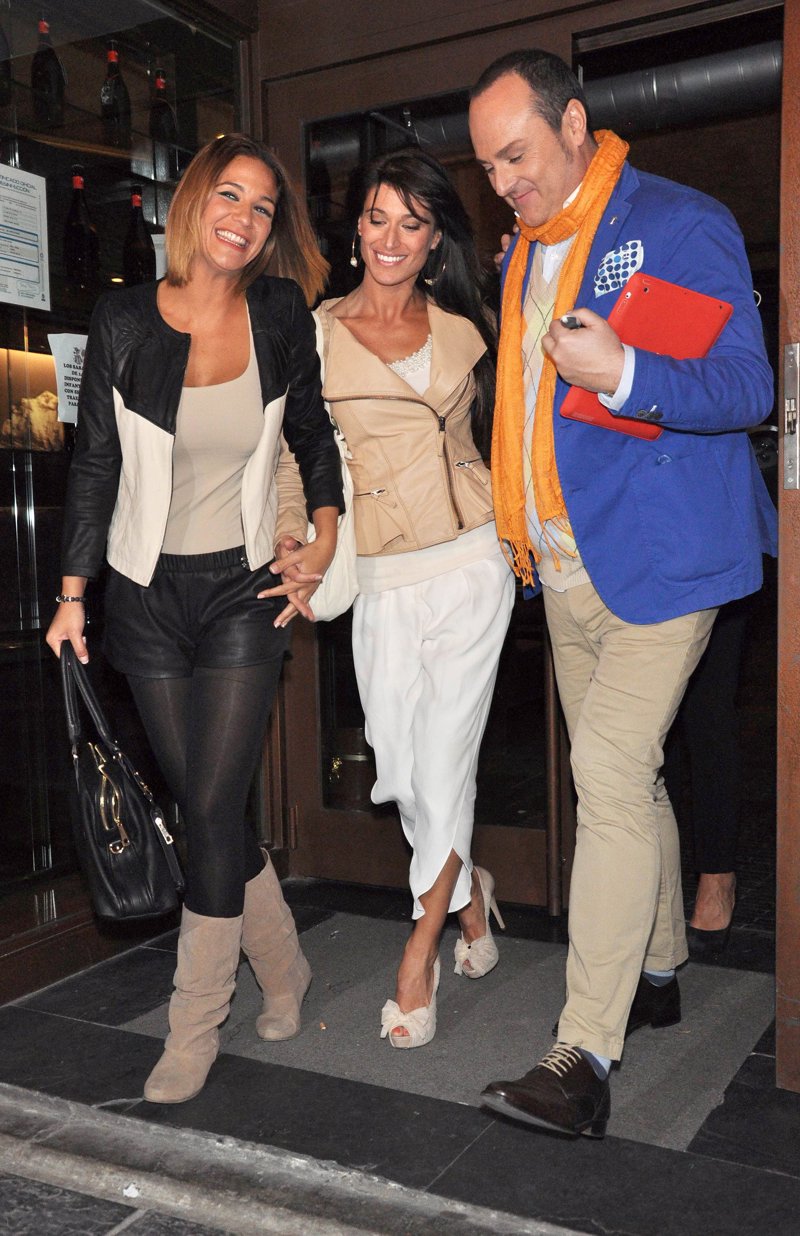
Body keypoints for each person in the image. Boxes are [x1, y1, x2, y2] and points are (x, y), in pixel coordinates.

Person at [468, 49, 776, 1137]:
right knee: (626, 774)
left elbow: (747, 384)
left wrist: (629, 375)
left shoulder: (680, 219)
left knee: (603, 768)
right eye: (488, 166)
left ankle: (584, 1055)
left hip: (664, 551)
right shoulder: (524, 253)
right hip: (563, 558)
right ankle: (659, 968)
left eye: (516, 154)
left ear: (572, 124)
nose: (504, 181)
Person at [46, 133, 343, 1105]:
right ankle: (284, 966)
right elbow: (94, 463)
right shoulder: (125, 319)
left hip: (241, 590)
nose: (244, 218)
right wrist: (73, 595)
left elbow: (313, 433)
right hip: (143, 596)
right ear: (192, 204)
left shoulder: (278, 312)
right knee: (206, 809)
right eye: (229, 196)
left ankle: (192, 1023)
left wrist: (324, 535)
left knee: (211, 808)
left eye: (263, 206)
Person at [278, 147, 515, 1047]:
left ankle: (419, 953)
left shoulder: (465, 327)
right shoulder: (315, 332)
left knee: (445, 760)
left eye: (411, 224)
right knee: (404, 772)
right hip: (381, 568)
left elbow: (500, 440)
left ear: (433, 241)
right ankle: (468, 890)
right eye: (377, 218)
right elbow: (294, 455)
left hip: (471, 558)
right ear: (357, 231)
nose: (390, 238)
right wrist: (294, 538)